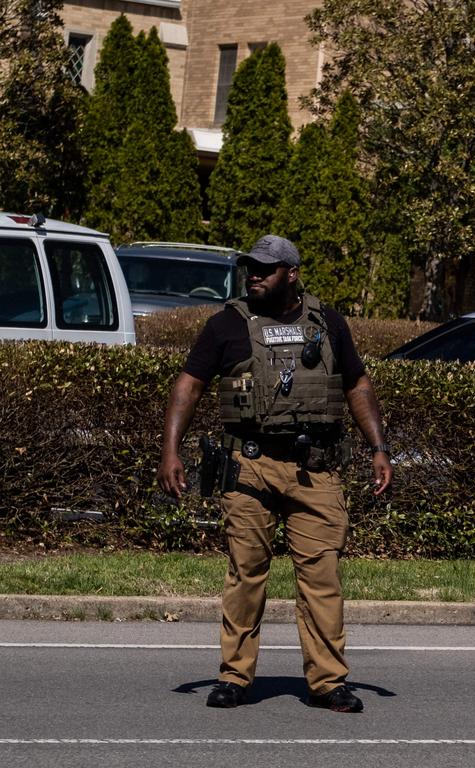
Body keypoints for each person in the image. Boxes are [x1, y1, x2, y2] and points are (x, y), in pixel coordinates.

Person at [156, 234, 393, 713]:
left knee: (322, 578)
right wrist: (170, 449)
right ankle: (235, 677)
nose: (255, 275)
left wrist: (379, 447)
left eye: (266, 268)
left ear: (293, 273)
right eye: (251, 268)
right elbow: (191, 383)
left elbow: (356, 383)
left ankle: (328, 682)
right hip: (248, 466)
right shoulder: (226, 324)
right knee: (246, 575)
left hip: (316, 470)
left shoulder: (329, 324)